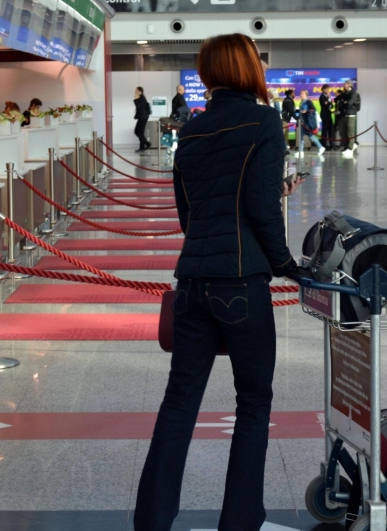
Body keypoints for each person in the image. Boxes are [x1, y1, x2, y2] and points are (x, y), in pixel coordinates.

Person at [134, 32, 303, 531]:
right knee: (252, 404)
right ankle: (240, 521)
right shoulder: (264, 120)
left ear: (208, 73)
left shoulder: (192, 130)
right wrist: (287, 264)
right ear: (250, 68)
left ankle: (152, 519)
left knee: (179, 404)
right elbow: (261, 208)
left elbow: (189, 215)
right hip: (242, 284)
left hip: (191, 284)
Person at [334, 79, 360, 154]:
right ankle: (346, 146)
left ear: (349, 84)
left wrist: (344, 102)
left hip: (350, 115)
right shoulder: (345, 93)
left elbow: (349, 103)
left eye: (345, 84)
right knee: (342, 131)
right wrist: (343, 102)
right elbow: (339, 101)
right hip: (343, 115)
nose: (344, 85)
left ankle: (350, 148)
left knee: (350, 132)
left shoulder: (353, 93)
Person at [298, 89, 326, 156]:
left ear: (306, 95)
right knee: (302, 136)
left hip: (307, 122)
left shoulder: (308, 102)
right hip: (302, 121)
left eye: (302, 93)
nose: (301, 95)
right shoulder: (301, 102)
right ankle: (301, 152)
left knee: (310, 135)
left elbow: (313, 110)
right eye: (300, 93)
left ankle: (320, 147)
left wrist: (306, 111)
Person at [134, 86, 151, 152]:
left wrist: (135, 99)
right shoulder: (140, 98)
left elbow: (138, 106)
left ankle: (143, 147)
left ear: (140, 91)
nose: (135, 92)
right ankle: (146, 143)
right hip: (141, 117)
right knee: (137, 131)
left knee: (140, 132)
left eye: (136, 90)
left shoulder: (142, 98)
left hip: (143, 117)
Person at [318, 84, 334, 151]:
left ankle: (331, 145)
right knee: (324, 130)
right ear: (323, 89)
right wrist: (329, 101)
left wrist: (329, 100)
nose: (328, 90)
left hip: (328, 114)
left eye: (328, 89)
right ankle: (324, 145)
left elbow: (331, 106)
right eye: (327, 89)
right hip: (324, 114)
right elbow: (327, 105)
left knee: (330, 129)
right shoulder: (322, 97)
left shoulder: (327, 97)